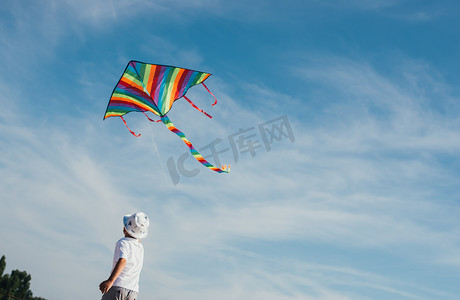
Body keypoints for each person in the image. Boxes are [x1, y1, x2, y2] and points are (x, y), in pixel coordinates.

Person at [99, 212, 150, 300]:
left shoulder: (123, 242)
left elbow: (123, 261)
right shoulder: (140, 247)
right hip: (133, 291)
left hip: (118, 287)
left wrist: (110, 281)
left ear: (125, 229)